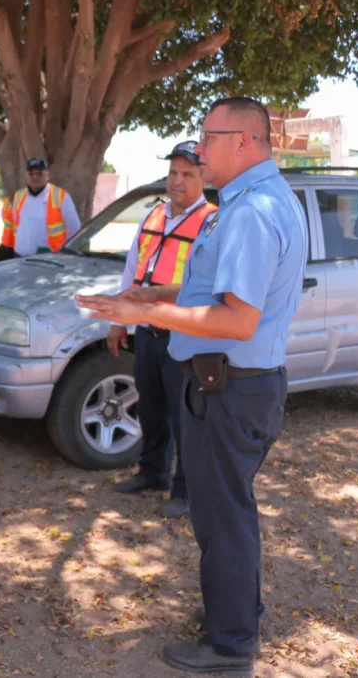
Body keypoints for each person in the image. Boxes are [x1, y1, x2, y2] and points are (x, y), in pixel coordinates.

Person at [76, 97, 308, 677]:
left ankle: (230, 645)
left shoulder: (252, 212)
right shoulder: (251, 203)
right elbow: (216, 296)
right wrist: (158, 297)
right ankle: (235, 615)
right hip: (231, 386)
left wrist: (154, 318)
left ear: (245, 143)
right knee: (225, 512)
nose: (199, 150)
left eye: (208, 137)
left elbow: (237, 320)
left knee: (223, 516)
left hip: (230, 390)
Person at [110, 141, 217, 522]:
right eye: (173, 173)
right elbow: (132, 268)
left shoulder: (212, 221)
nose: (177, 180)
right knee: (152, 408)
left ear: (204, 176)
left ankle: (186, 490)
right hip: (148, 331)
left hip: (185, 336)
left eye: (187, 174)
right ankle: (152, 472)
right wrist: (119, 319)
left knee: (186, 416)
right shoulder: (153, 215)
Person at [0, 158, 81, 261]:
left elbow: (74, 228)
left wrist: (63, 254)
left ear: (47, 175)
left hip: (49, 259)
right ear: (26, 176)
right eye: (31, 174)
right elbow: (16, 224)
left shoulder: (60, 196)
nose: (35, 177)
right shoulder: (19, 195)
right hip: (19, 258)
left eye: (39, 173)